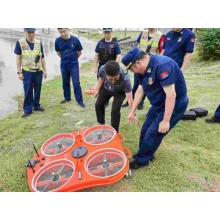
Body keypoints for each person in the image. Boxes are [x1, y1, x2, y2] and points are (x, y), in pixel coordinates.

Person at [121, 47, 189, 169]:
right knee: (145, 129)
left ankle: (142, 160)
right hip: (158, 104)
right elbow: (140, 90)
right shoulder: (143, 70)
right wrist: (132, 111)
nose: (133, 72)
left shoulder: (163, 65)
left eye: (132, 69)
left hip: (174, 104)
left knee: (154, 133)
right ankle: (145, 152)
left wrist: (166, 120)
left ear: (138, 63)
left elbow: (171, 95)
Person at [122, 28, 163, 110]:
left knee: (145, 84)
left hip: (150, 63)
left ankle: (140, 102)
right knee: (137, 83)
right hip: (138, 63)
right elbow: (138, 46)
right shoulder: (143, 33)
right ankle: (131, 100)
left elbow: (161, 51)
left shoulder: (160, 35)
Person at [14, 28, 47, 118]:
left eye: (33, 32)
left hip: (38, 71)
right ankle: (28, 110)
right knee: (28, 91)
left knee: (38, 89)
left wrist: (45, 70)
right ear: (24, 31)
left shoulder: (39, 43)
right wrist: (19, 72)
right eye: (29, 33)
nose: (32, 35)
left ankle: (36, 106)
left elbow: (42, 58)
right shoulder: (20, 43)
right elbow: (18, 58)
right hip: (27, 72)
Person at [94, 61, 133, 133]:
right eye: (110, 79)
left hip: (120, 91)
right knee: (98, 104)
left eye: (116, 79)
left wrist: (132, 112)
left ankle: (115, 131)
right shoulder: (102, 69)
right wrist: (97, 89)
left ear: (119, 73)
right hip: (106, 88)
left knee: (115, 111)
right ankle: (101, 123)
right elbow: (101, 78)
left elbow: (130, 97)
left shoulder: (125, 78)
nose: (113, 81)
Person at [55, 28, 85, 107]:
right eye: (61, 32)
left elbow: (80, 52)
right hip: (64, 64)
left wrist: (74, 59)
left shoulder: (75, 40)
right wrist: (64, 58)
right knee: (65, 82)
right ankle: (67, 97)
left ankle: (79, 100)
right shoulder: (58, 41)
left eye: (64, 31)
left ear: (67, 30)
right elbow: (58, 52)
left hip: (73, 65)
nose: (63, 34)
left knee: (76, 83)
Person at [94, 28, 121, 108]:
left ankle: (106, 100)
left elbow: (118, 56)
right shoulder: (100, 43)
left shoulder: (115, 44)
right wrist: (95, 66)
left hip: (111, 68)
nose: (107, 34)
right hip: (101, 66)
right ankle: (100, 98)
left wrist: (115, 66)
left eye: (108, 32)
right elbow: (96, 55)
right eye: (105, 32)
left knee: (109, 84)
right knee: (100, 83)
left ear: (111, 32)